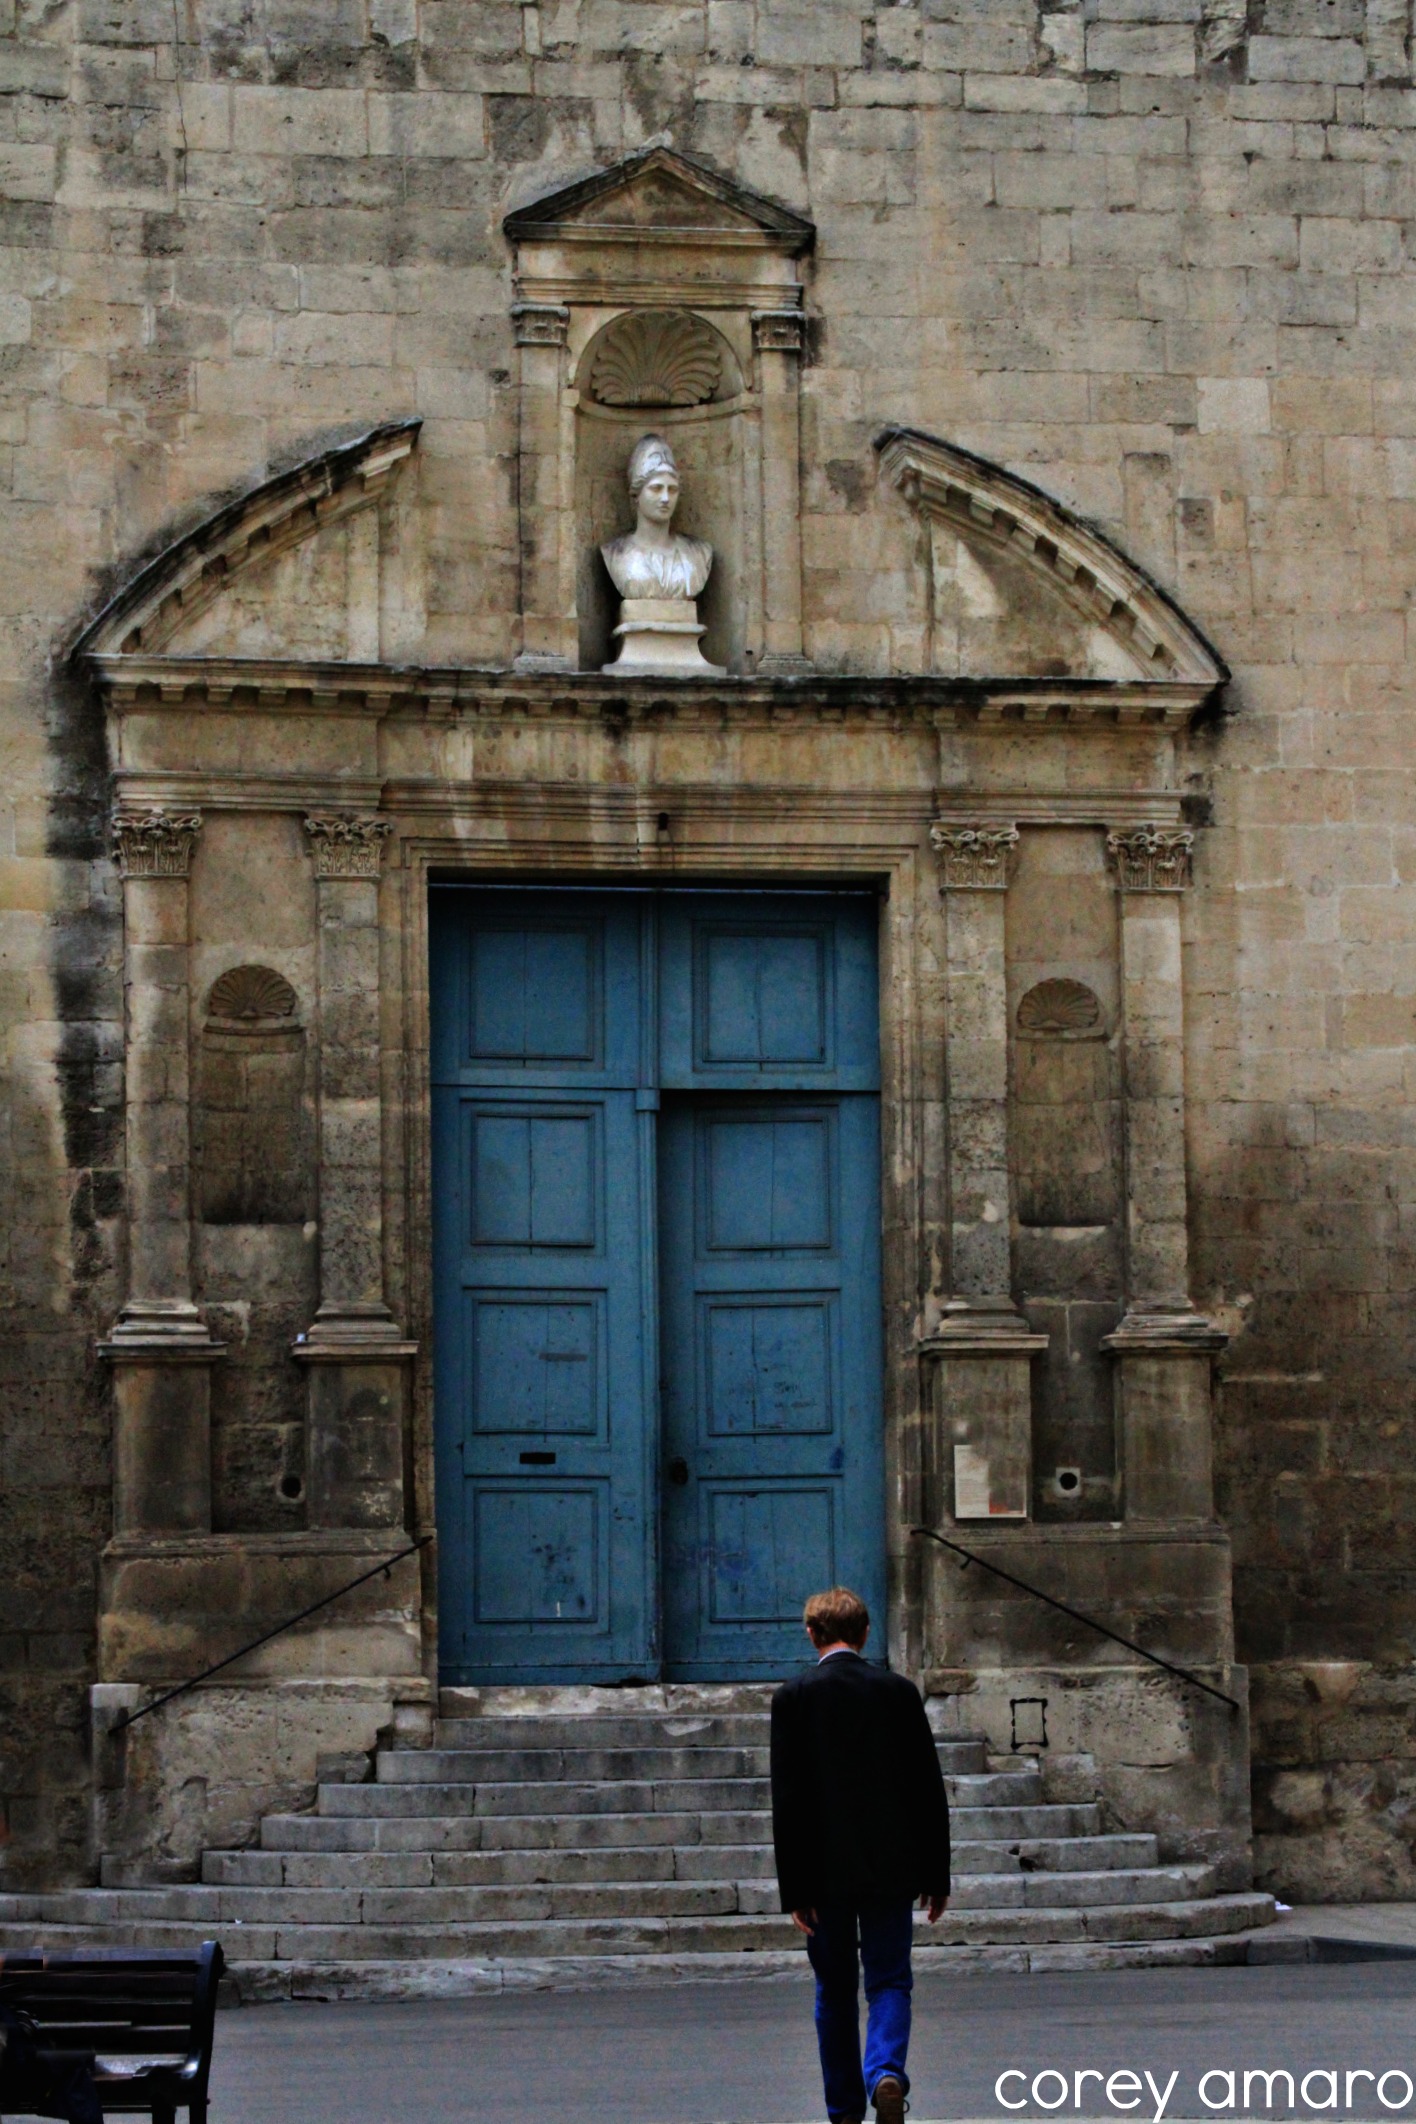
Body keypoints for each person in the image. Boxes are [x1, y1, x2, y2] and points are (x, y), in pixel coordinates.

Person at [770, 1587, 951, 2124]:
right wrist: (936, 1874)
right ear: (866, 1633)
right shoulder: (898, 1692)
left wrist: (795, 1888)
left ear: (812, 1635)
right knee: (890, 1979)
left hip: (822, 1874)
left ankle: (845, 2110)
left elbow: (789, 1801)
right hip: (891, 1869)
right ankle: (886, 2071)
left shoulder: (793, 1698)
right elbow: (927, 1789)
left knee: (834, 1989)